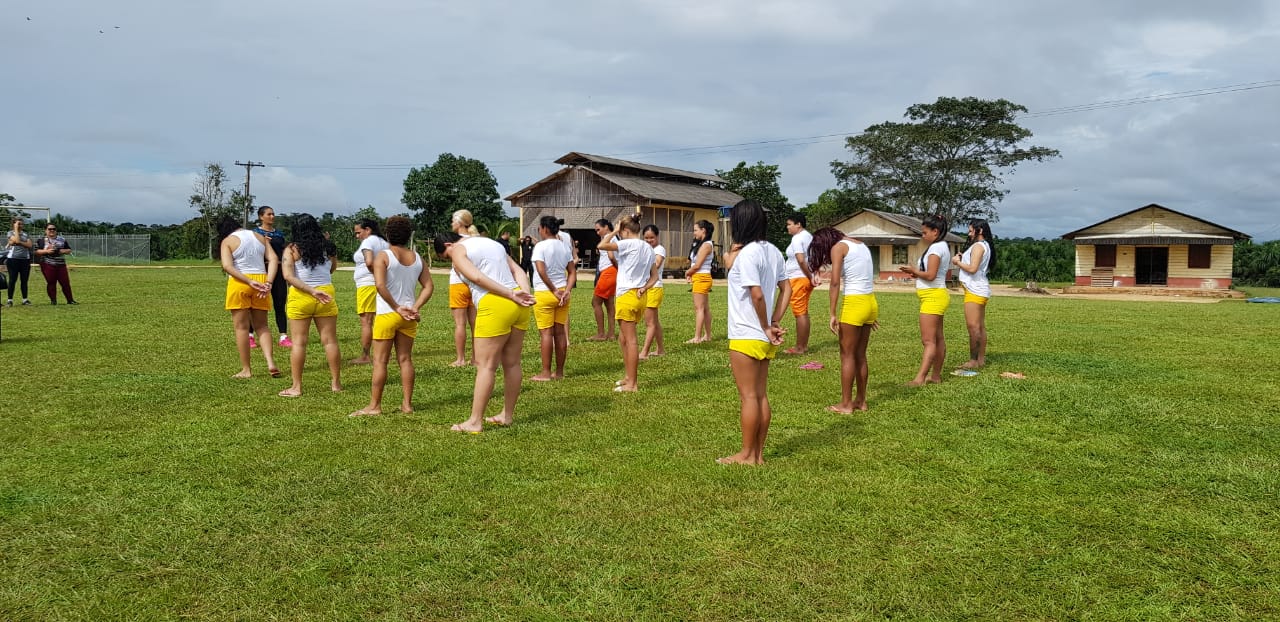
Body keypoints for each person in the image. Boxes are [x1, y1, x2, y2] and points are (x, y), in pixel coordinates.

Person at [434, 230, 535, 434]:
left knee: (486, 366)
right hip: (518, 305)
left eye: (446, 258)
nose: (450, 262)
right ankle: (506, 416)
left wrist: (509, 294)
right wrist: (522, 293)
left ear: (447, 246)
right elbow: (518, 271)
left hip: (495, 303)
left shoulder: (459, 249)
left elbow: (476, 277)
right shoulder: (492, 243)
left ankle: (475, 421)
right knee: (513, 362)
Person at [718, 200, 790, 466]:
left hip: (747, 333)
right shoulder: (773, 251)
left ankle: (747, 454)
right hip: (761, 334)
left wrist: (765, 325)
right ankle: (757, 453)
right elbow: (787, 289)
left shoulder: (748, 255)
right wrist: (773, 321)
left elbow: (757, 294)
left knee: (749, 396)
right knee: (760, 395)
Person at [349, 216, 434, 417]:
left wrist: (396, 307)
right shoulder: (417, 258)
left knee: (380, 362)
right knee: (405, 360)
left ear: (387, 235)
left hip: (388, 313)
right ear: (408, 235)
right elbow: (428, 286)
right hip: (408, 317)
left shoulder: (383, 256)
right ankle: (407, 405)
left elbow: (379, 285)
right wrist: (414, 307)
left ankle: (375, 406)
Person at [807, 227, 878, 413]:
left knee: (847, 355)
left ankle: (846, 404)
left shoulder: (839, 247)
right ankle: (861, 401)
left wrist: (832, 313)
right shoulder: (861, 245)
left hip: (855, 304)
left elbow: (835, 282)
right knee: (860, 355)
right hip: (870, 302)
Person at [278, 214, 341, 397]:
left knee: (299, 342)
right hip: (326, 294)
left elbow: (288, 276)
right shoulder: (328, 246)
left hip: (301, 295)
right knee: (330, 341)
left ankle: (296, 387)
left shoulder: (291, 249)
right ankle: (336, 383)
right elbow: (332, 268)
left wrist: (311, 290)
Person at [599, 214, 657, 393]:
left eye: (621, 231)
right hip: (639, 296)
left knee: (630, 340)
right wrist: (645, 287)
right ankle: (628, 377)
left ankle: (632, 384)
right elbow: (654, 276)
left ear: (625, 230)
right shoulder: (648, 248)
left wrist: (614, 231)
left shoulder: (626, 243)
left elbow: (601, 245)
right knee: (623, 338)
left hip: (626, 295)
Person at [217, 215, 281, 379]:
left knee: (242, 328)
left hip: (240, 282)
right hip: (261, 280)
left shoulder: (228, 241)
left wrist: (248, 281)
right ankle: (270, 362)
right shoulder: (259, 236)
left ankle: (246, 369)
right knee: (262, 326)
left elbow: (227, 266)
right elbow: (273, 259)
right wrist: (269, 282)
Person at [898, 215, 952, 386]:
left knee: (928, 341)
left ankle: (920, 378)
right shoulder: (941, 246)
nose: (923, 235)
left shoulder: (936, 249)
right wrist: (915, 273)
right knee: (937, 338)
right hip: (936, 294)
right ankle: (935, 376)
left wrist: (914, 270)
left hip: (933, 296)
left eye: (925, 232)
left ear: (935, 231)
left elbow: (930, 275)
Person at [530, 216, 575, 381]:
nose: (539, 231)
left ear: (545, 229)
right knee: (560, 333)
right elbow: (572, 272)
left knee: (546, 334)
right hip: (563, 293)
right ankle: (560, 372)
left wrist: (553, 290)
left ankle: (545, 372)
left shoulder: (540, 246)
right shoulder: (564, 246)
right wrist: (566, 290)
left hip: (545, 293)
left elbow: (541, 271)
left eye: (540, 228)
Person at [953, 219, 996, 369]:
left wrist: (957, 262)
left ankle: (973, 361)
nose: (969, 234)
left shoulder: (978, 246)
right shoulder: (985, 246)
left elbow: (972, 269)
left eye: (971, 231)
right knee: (980, 327)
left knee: (973, 327)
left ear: (980, 231)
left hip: (974, 291)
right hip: (980, 289)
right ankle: (980, 360)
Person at [349, 217, 389, 365]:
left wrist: (375, 275)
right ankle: (386, 352)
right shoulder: (384, 242)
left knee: (366, 321)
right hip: (380, 285)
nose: (357, 236)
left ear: (368, 230)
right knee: (381, 319)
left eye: (358, 232)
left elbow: (369, 262)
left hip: (367, 285)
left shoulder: (368, 241)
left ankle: (365, 355)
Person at [253, 206, 291, 348]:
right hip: (262, 270)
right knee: (257, 305)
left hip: (279, 272)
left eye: (273, 214)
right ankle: (251, 335)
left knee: (280, 303)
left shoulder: (279, 234)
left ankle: (283, 336)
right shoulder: (255, 233)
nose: (272, 217)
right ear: (261, 216)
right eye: (269, 214)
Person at [446, 210, 480, 367]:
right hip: (474, 285)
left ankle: (460, 359)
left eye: (453, 221)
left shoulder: (456, 244)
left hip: (458, 283)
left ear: (459, 223)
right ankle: (475, 358)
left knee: (460, 324)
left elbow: (457, 266)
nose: (451, 223)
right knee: (475, 324)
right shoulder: (477, 240)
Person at [782, 213, 819, 354]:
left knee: (800, 312)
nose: (787, 227)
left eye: (789, 224)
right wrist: (814, 274)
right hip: (803, 277)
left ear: (798, 224)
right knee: (802, 311)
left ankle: (800, 347)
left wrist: (809, 276)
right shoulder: (809, 237)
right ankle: (802, 345)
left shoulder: (798, 238)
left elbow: (801, 259)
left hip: (799, 277)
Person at [683, 219, 716, 343]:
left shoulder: (706, 245)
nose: (694, 233)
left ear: (703, 230)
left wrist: (688, 272)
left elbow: (697, 265)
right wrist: (691, 274)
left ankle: (697, 337)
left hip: (702, 277)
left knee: (699, 308)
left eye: (696, 230)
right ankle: (707, 335)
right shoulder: (701, 244)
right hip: (699, 277)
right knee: (705, 308)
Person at [639, 224, 666, 359]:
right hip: (648, 287)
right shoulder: (646, 250)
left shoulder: (659, 249)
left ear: (657, 237)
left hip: (654, 287)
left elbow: (657, 263)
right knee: (654, 321)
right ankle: (660, 349)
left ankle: (644, 352)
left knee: (650, 322)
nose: (649, 240)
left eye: (652, 238)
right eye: (646, 238)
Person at [588, 218, 617, 341]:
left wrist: (616, 267)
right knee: (609, 304)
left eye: (598, 229)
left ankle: (601, 333)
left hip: (608, 271)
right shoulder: (611, 238)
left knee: (596, 302)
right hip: (611, 271)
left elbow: (611, 256)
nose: (597, 232)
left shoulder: (610, 238)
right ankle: (611, 334)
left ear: (606, 227)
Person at [35, 224, 76, 305]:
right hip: (47, 264)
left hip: (61, 264)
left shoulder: (62, 239)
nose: (52, 230)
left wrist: (60, 251)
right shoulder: (41, 240)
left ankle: (70, 300)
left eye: (54, 229)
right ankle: (53, 301)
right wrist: (47, 251)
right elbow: (36, 251)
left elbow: (69, 250)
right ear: (45, 230)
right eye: (49, 229)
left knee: (65, 283)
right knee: (51, 282)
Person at [5, 218, 33, 306]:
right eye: (18, 224)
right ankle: (10, 300)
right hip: (13, 259)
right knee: (12, 280)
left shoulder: (25, 234)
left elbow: (29, 245)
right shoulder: (10, 233)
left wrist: (18, 243)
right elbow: (16, 240)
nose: (21, 225)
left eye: (21, 224)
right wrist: (16, 230)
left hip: (25, 260)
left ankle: (25, 300)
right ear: (13, 224)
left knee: (24, 280)